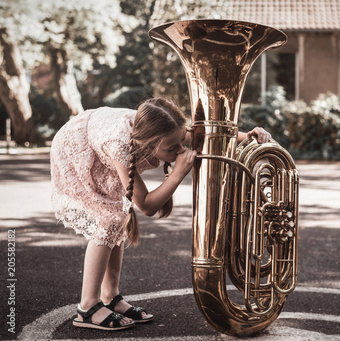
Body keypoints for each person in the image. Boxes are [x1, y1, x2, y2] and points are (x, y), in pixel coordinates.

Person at [50, 97, 271, 331]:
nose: (180, 150)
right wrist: (177, 174)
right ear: (148, 144)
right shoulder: (120, 146)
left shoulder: (168, 132)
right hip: (76, 147)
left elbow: (201, 136)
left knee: (118, 218)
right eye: (172, 148)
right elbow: (146, 205)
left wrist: (248, 136)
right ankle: (87, 307)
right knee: (109, 221)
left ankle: (110, 297)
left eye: (180, 142)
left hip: (101, 133)